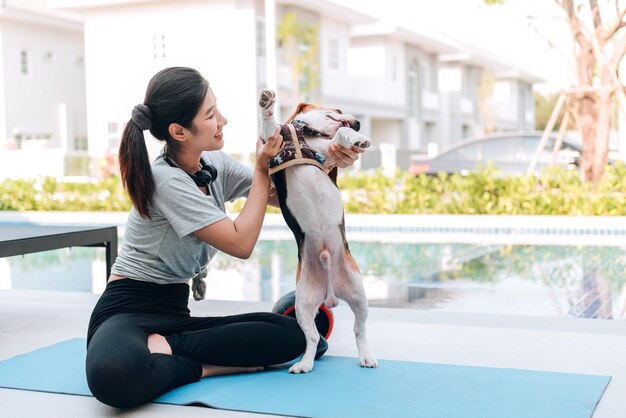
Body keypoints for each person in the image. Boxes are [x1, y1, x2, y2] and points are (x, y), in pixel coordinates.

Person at [85, 66, 362, 408]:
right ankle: (202, 366)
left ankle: (166, 348)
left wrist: (323, 163)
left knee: (300, 335)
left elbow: (280, 194)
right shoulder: (166, 181)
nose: (224, 120)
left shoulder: (212, 163)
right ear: (179, 131)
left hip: (175, 318)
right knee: (113, 376)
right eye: (211, 114)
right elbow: (240, 243)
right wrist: (262, 168)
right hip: (126, 311)